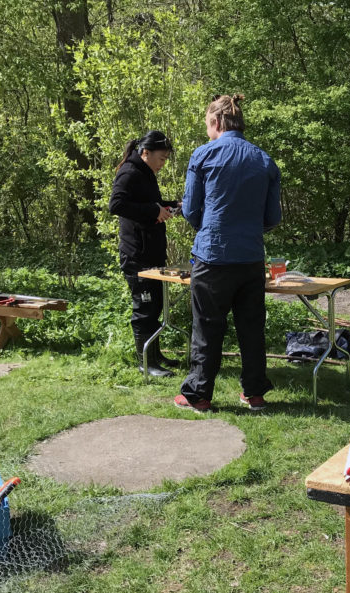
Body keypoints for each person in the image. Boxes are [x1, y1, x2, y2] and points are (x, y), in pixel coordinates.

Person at [176, 94, 282, 413]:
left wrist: (210, 226)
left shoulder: (204, 155)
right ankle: (255, 394)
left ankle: (199, 394)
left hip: (213, 256)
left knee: (208, 326)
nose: (208, 131)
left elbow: (192, 210)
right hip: (250, 259)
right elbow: (272, 218)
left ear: (217, 122)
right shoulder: (265, 161)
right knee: (251, 327)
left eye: (208, 125)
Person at [109, 130, 179, 377]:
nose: (163, 164)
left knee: (156, 305)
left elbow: (150, 205)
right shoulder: (129, 172)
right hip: (137, 255)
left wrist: (172, 206)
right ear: (145, 152)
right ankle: (145, 363)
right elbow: (116, 205)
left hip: (153, 252)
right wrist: (153, 211)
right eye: (161, 159)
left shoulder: (146, 173)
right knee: (145, 308)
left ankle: (156, 356)